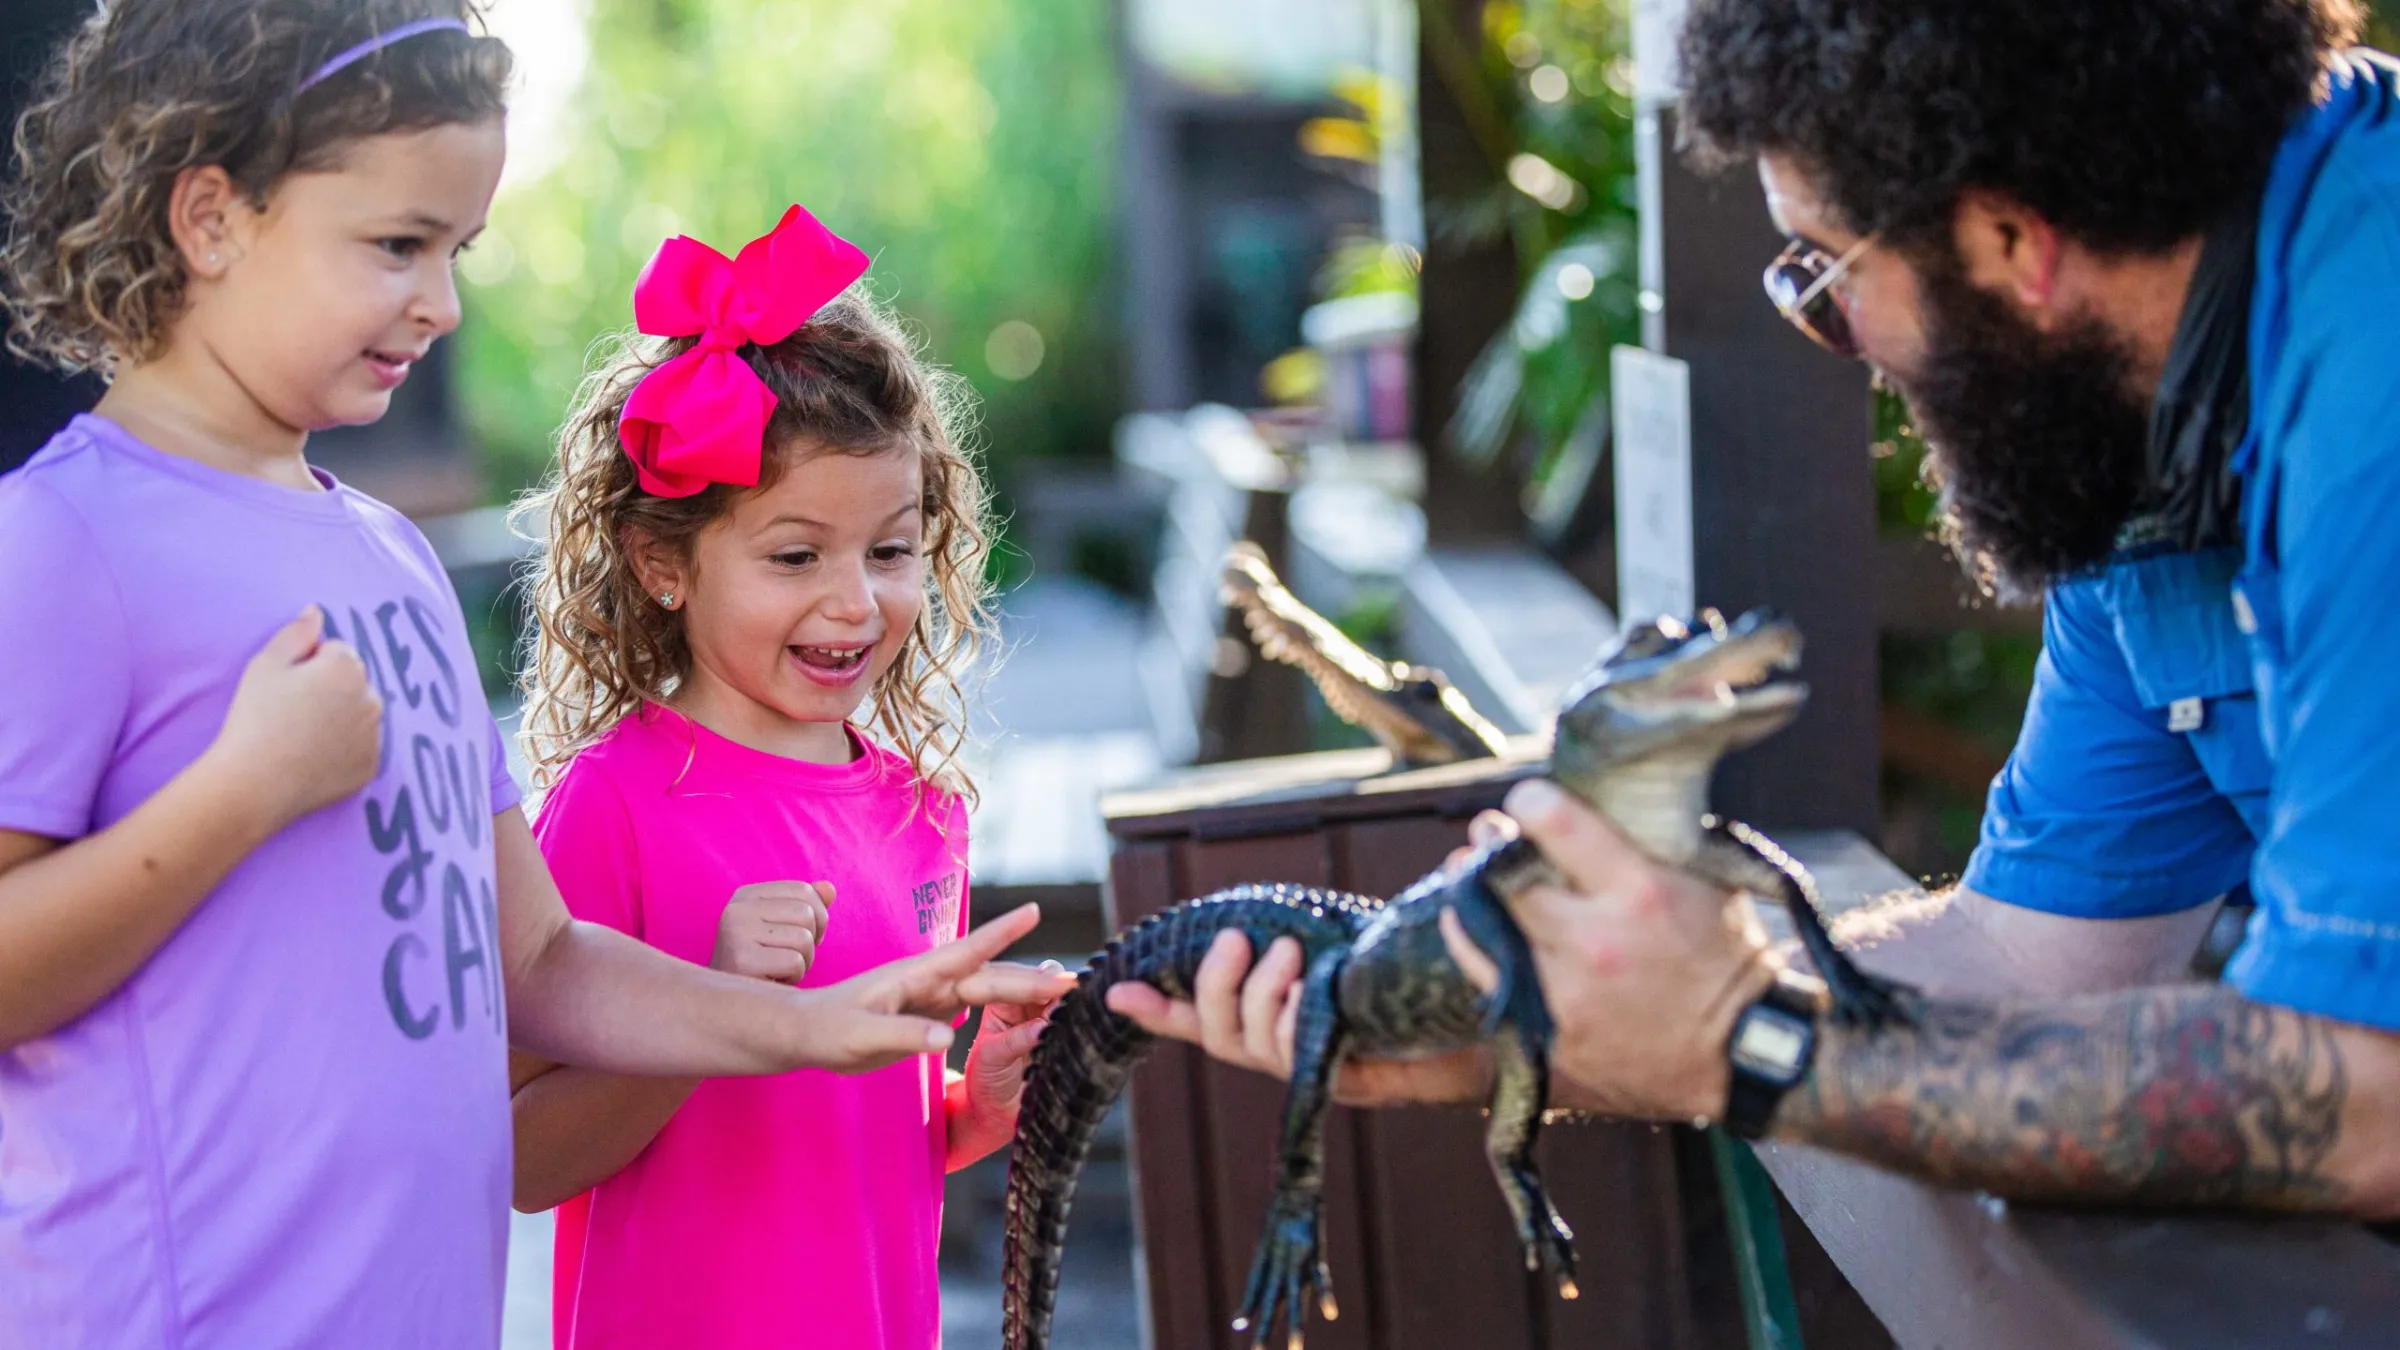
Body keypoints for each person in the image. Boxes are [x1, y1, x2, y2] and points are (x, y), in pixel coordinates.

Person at [1110, 0, 2400, 1218]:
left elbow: (2366, 1094)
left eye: (1821, 270)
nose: (1829, 330)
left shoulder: (2371, 391)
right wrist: (1528, 1016)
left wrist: (1754, 1043)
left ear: (2012, 239)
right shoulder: (2145, 424)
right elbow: (2027, 961)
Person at [0, 7, 1069, 1347]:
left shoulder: (389, 560)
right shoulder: (62, 545)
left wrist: (818, 1024)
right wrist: (245, 788)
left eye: (458, 250)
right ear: (211, 217)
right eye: (398, 244)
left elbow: (545, 961)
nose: (443, 303)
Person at [505, 205, 1060, 1350]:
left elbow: (860, 1135)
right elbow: (520, 1157)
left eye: (892, 550)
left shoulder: (924, 811)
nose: (856, 602)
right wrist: (710, 1007)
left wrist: (981, 1105)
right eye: (795, 556)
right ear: (665, 563)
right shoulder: (613, 805)